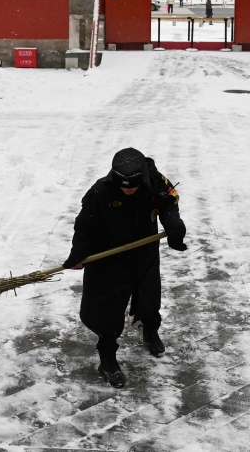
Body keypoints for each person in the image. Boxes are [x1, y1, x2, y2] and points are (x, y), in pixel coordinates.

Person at [64, 148, 188, 388]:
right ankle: (107, 359)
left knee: (149, 298)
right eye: (123, 186)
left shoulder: (156, 183)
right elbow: (84, 226)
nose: (128, 190)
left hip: (144, 254)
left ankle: (150, 331)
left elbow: (170, 204)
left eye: (132, 186)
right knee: (106, 312)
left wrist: (173, 225)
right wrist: (78, 254)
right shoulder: (100, 191)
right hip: (108, 259)